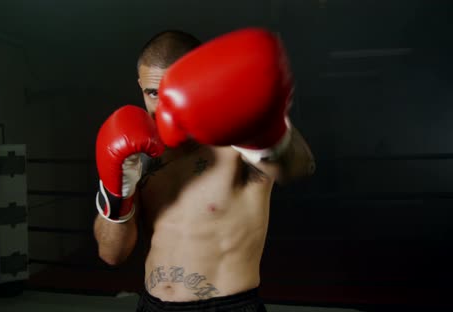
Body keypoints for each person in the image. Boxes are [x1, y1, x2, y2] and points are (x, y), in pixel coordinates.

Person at [94, 28, 315, 312]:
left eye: (175, 93)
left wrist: (264, 133)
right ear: (140, 86)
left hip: (227, 307)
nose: (163, 109)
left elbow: (300, 166)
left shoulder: (236, 138)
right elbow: (111, 254)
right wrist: (117, 191)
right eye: (152, 93)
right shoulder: (138, 150)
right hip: (151, 305)